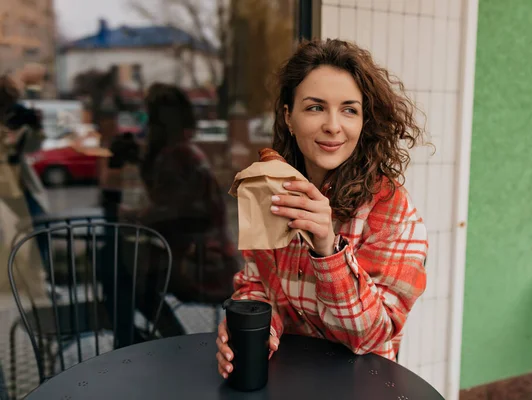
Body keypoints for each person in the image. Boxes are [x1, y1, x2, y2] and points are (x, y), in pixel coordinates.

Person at [216, 39, 428, 378]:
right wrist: (251, 327)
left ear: (364, 122)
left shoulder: (391, 210)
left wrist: (327, 249)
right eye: (315, 107)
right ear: (289, 117)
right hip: (287, 379)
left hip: (363, 384)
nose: (333, 125)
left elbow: (371, 335)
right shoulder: (270, 190)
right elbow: (257, 286)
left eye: (349, 109)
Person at [111, 83, 239, 347]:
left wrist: (131, 217)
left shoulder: (178, 155)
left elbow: (172, 212)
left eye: (150, 117)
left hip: (202, 264)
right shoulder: (182, 152)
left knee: (124, 275)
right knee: (126, 272)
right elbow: (169, 204)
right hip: (208, 258)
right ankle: (153, 341)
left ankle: (168, 344)